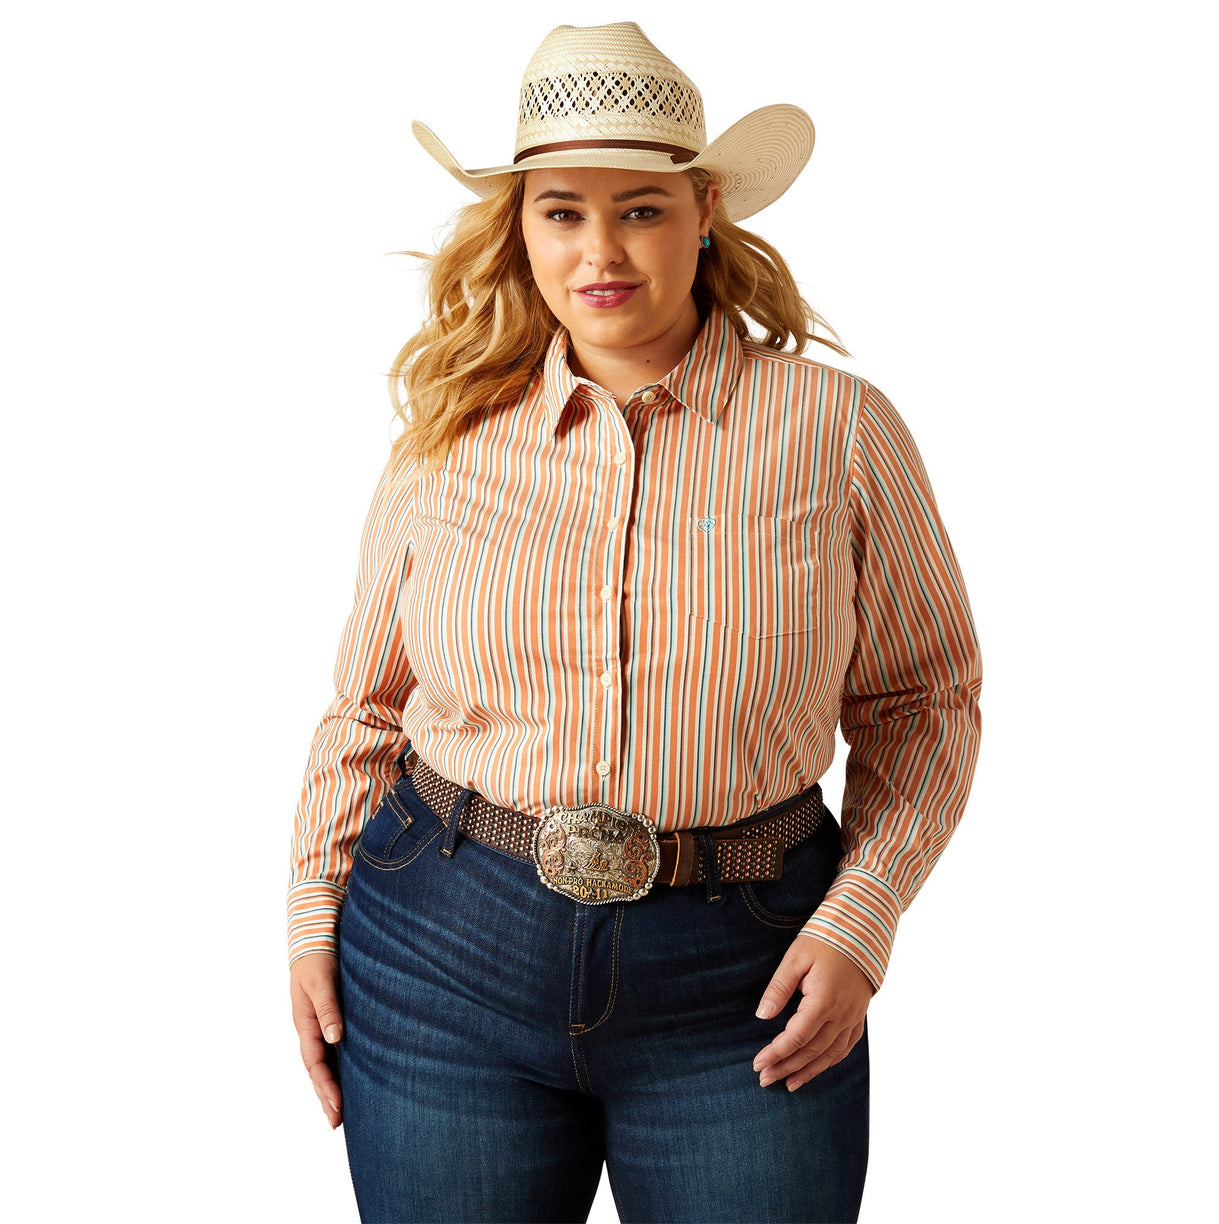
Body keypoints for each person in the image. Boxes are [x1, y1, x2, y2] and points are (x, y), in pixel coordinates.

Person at [287, 21, 982, 1224]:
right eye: (561, 210)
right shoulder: (445, 442)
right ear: (519, 225)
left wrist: (864, 919)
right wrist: (309, 913)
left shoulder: (841, 431)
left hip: (746, 970)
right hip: (439, 951)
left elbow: (925, 699)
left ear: (704, 208)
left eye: (641, 209)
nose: (600, 250)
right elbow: (368, 706)